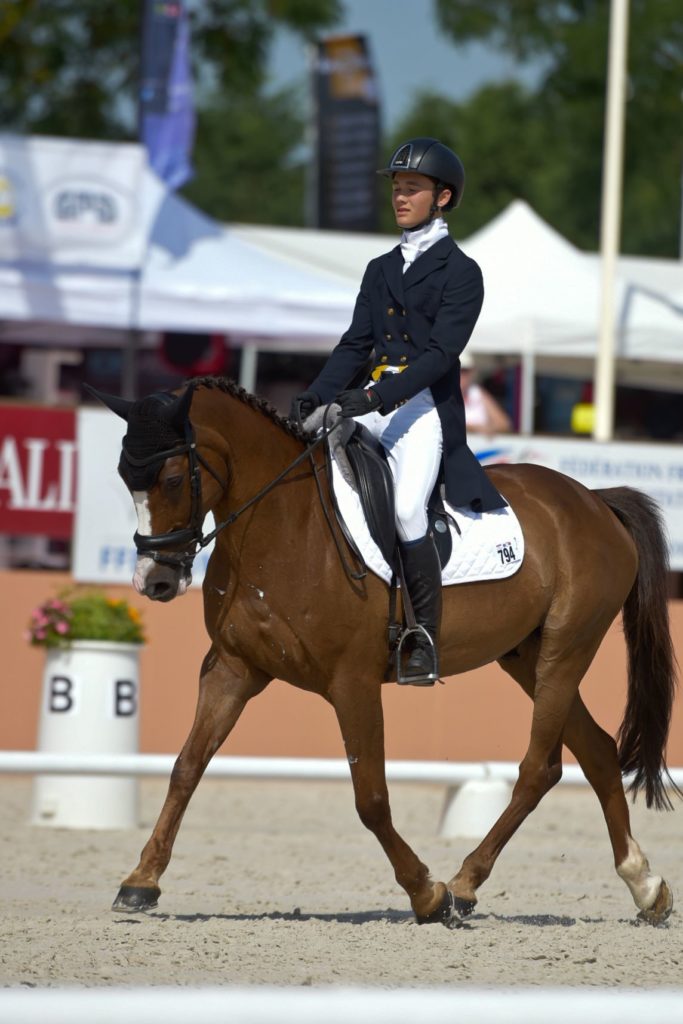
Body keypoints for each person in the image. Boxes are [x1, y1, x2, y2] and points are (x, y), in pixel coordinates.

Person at [291, 137, 506, 685]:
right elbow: (355, 346)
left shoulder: (463, 272)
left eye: (412, 188)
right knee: (312, 476)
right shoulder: (379, 267)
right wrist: (316, 396)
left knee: (410, 510)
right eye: (396, 187)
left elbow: (440, 357)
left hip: (421, 409)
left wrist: (373, 398)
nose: (400, 196)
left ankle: (422, 640)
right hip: (369, 401)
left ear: (443, 197)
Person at [460, 351, 512, 435]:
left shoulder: (478, 393)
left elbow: (504, 424)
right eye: (459, 370)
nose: (461, 375)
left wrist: (490, 428)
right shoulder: (442, 395)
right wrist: (475, 428)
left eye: (465, 371)